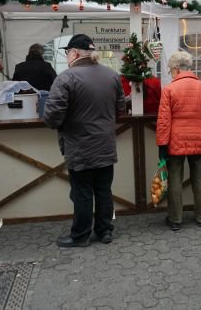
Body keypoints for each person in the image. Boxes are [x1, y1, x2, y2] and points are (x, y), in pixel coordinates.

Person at [43, 34, 125, 248]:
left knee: (82, 192)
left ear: (75, 53)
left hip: (79, 146)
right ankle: (105, 231)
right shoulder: (112, 76)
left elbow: (52, 118)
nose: (67, 57)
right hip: (106, 145)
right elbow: (120, 110)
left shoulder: (66, 78)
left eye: (67, 52)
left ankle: (80, 236)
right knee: (104, 190)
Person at [156, 51, 201, 231]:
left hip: (176, 141)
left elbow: (163, 120)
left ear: (176, 68)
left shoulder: (169, 89)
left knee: (175, 178)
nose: (171, 73)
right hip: (200, 140)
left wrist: (162, 144)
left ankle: (175, 219)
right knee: (200, 178)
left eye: (170, 70)